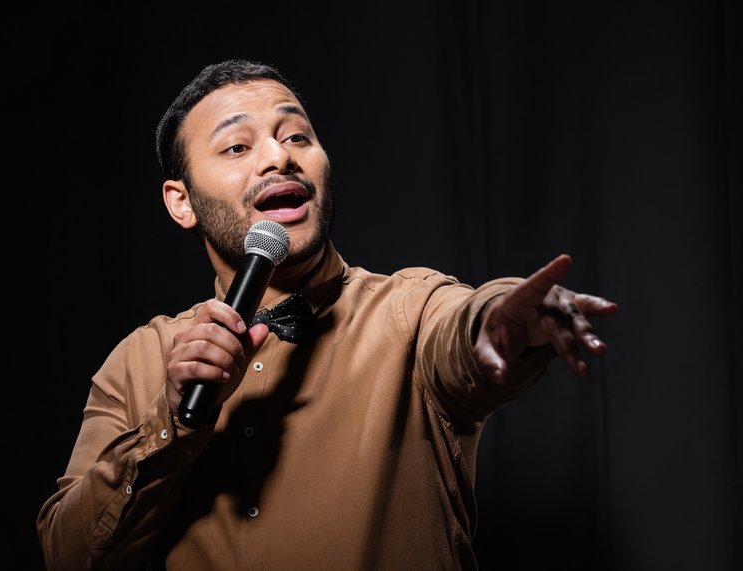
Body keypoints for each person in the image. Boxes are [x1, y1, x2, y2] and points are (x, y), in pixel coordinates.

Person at [36, 59, 618, 571]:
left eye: (297, 136)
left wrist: (500, 317)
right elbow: (69, 556)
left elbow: (462, 328)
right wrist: (174, 421)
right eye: (238, 147)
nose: (278, 156)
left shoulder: (408, 311)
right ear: (180, 201)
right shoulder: (138, 360)